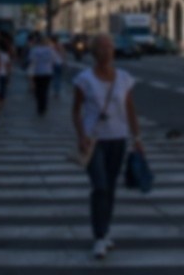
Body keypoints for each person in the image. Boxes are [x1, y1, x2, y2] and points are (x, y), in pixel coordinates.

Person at [72, 34, 143, 260]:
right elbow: (75, 111)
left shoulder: (124, 78)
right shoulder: (84, 79)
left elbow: (131, 109)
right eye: (101, 48)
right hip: (94, 141)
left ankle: (105, 231)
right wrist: (81, 136)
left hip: (118, 139)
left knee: (110, 187)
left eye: (109, 48)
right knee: (100, 186)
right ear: (94, 53)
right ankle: (99, 236)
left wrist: (137, 138)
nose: (106, 52)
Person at [28, 33, 58, 116]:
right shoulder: (51, 50)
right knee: (45, 90)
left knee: (38, 90)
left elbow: (31, 60)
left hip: (37, 72)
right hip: (48, 72)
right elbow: (55, 61)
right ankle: (43, 107)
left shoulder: (35, 50)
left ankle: (40, 106)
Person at [0, 38, 13, 112]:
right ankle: (0, 103)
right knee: (2, 89)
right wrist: (8, 75)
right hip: (3, 74)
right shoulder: (5, 55)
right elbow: (8, 66)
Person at [50, 35, 66, 100]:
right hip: (58, 63)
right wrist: (64, 62)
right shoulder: (59, 46)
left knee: (56, 78)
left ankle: (56, 92)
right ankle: (56, 92)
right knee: (58, 78)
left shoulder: (51, 46)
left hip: (54, 64)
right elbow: (63, 54)